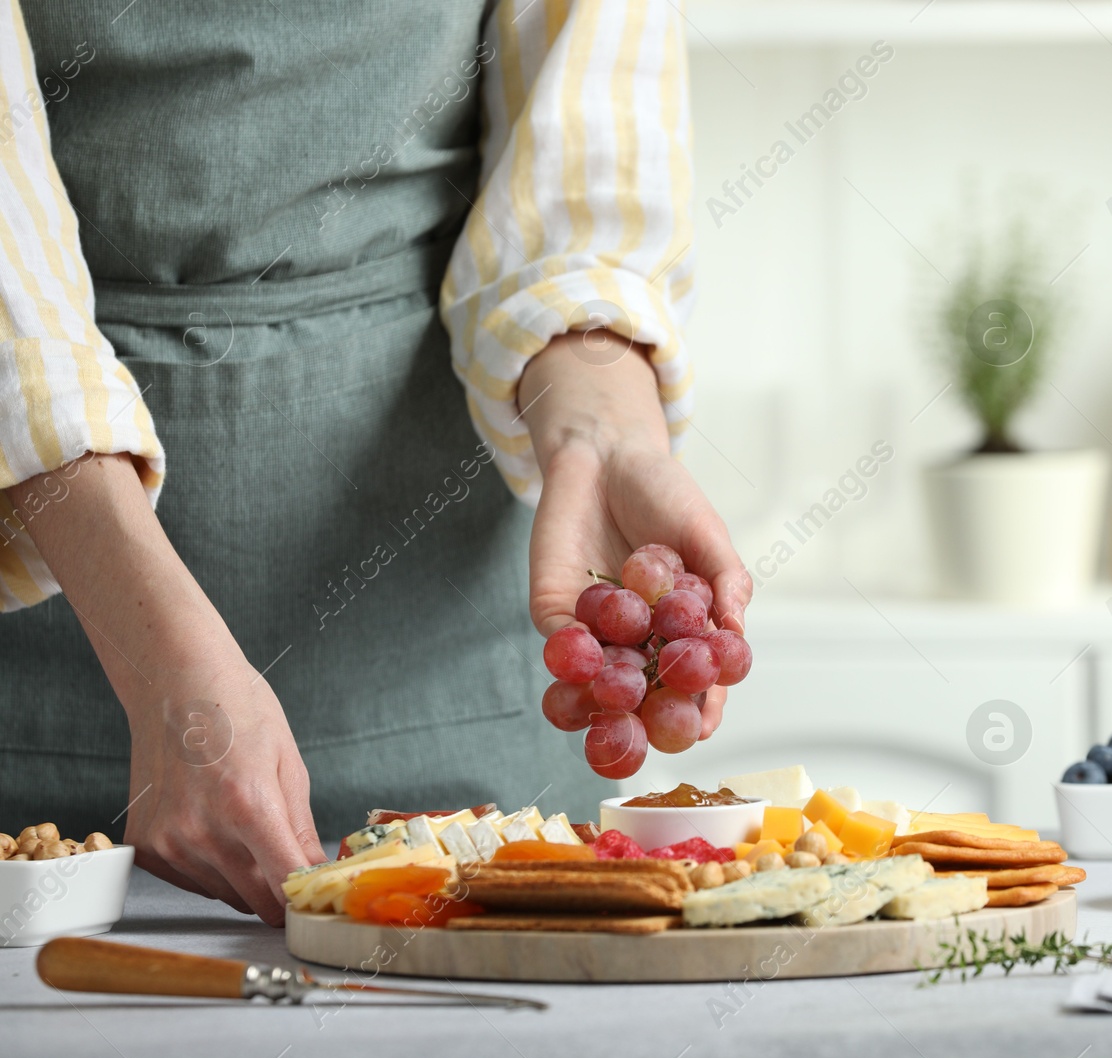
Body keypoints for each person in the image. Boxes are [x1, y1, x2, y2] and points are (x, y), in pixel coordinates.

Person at [0, 0, 750, 926]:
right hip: (39, 628)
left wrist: (607, 430)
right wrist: (148, 654)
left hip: (442, 636)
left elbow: (582, 171)